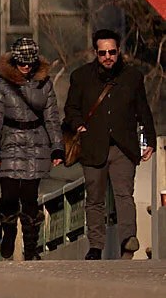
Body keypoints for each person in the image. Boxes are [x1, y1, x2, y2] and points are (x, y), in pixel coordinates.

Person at [62, 28, 156, 260]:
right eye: (103, 52)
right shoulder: (81, 76)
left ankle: (128, 240)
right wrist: (78, 125)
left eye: (112, 52)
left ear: (118, 51)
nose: (108, 57)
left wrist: (149, 141)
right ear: (95, 52)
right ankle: (96, 246)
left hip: (123, 146)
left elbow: (143, 110)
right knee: (94, 198)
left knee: (125, 195)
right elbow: (71, 108)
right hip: (93, 146)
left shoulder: (132, 76)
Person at [0, 37, 63, 260]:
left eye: (30, 63)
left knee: (30, 197)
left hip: (36, 142)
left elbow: (52, 117)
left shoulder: (44, 84)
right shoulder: (2, 84)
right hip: (9, 141)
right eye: (22, 63)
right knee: (9, 195)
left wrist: (57, 148)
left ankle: (31, 248)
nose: (26, 67)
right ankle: (9, 231)